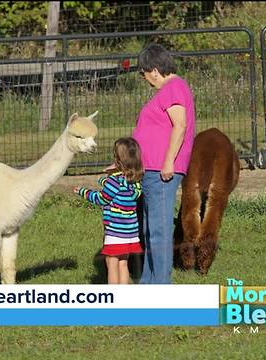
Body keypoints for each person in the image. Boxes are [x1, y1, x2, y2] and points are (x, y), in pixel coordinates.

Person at [132, 43, 196, 284]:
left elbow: (180, 125)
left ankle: (161, 286)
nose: (148, 80)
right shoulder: (170, 90)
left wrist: (168, 162)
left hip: (161, 171)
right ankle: (149, 281)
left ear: (155, 70)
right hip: (152, 170)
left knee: (158, 230)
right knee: (150, 228)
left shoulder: (173, 88)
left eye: (146, 75)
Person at [74, 137, 144, 284]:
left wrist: (83, 191)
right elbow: (116, 187)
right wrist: (104, 179)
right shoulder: (135, 182)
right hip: (130, 231)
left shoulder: (113, 181)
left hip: (115, 231)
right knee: (123, 264)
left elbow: (101, 198)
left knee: (111, 264)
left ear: (117, 159)